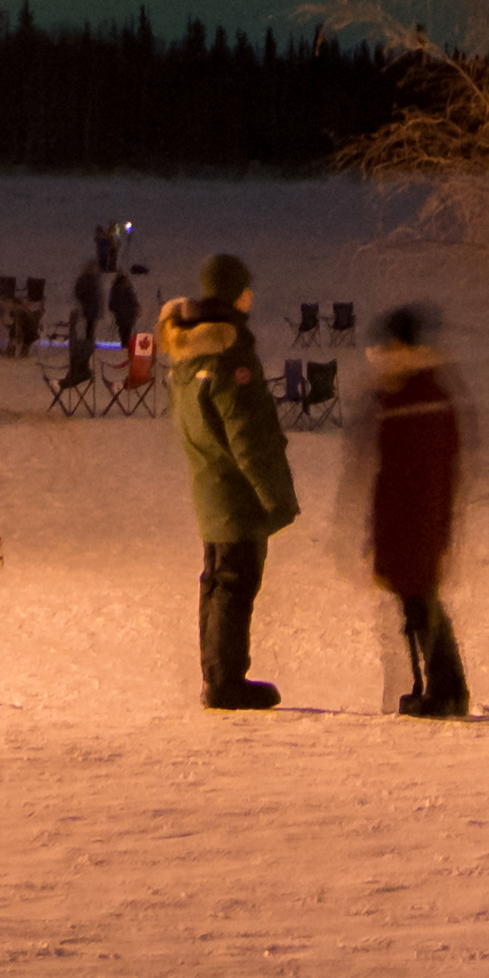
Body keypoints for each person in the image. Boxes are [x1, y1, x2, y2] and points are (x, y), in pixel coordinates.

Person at [167, 251, 300, 706]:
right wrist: (275, 497)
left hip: (209, 485)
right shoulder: (229, 355)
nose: (251, 295)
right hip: (235, 491)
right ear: (234, 294)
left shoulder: (190, 354)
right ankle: (225, 682)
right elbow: (248, 434)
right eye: (246, 288)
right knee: (234, 583)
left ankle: (217, 675)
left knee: (217, 581)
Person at [362, 303, 468, 718]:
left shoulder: (406, 395)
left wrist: (383, 531)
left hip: (411, 518)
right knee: (420, 603)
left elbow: (397, 471)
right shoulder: (426, 391)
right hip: (420, 516)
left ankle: (445, 690)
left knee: (421, 604)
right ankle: (443, 688)